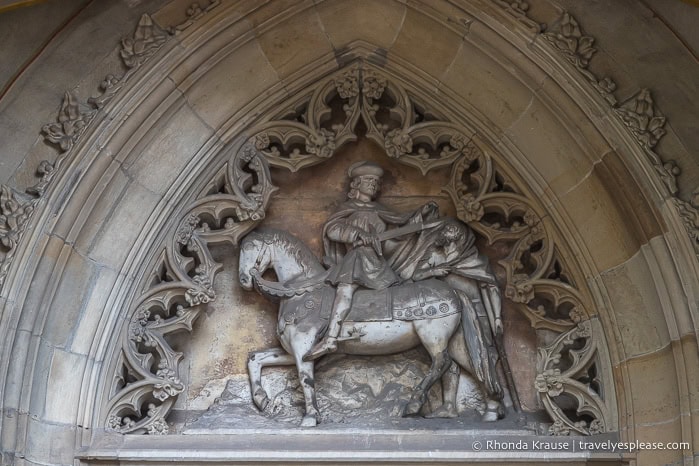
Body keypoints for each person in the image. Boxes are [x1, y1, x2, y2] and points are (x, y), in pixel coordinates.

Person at [303, 161, 438, 361]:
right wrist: (356, 233)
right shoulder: (347, 208)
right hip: (356, 257)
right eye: (368, 180)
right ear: (356, 184)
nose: (374, 184)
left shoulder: (380, 210)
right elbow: (332, 230)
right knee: (344, 291)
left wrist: (420, 215)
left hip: (375, 261)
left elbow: (398, 232)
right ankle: (331, 337)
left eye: (376, 181)